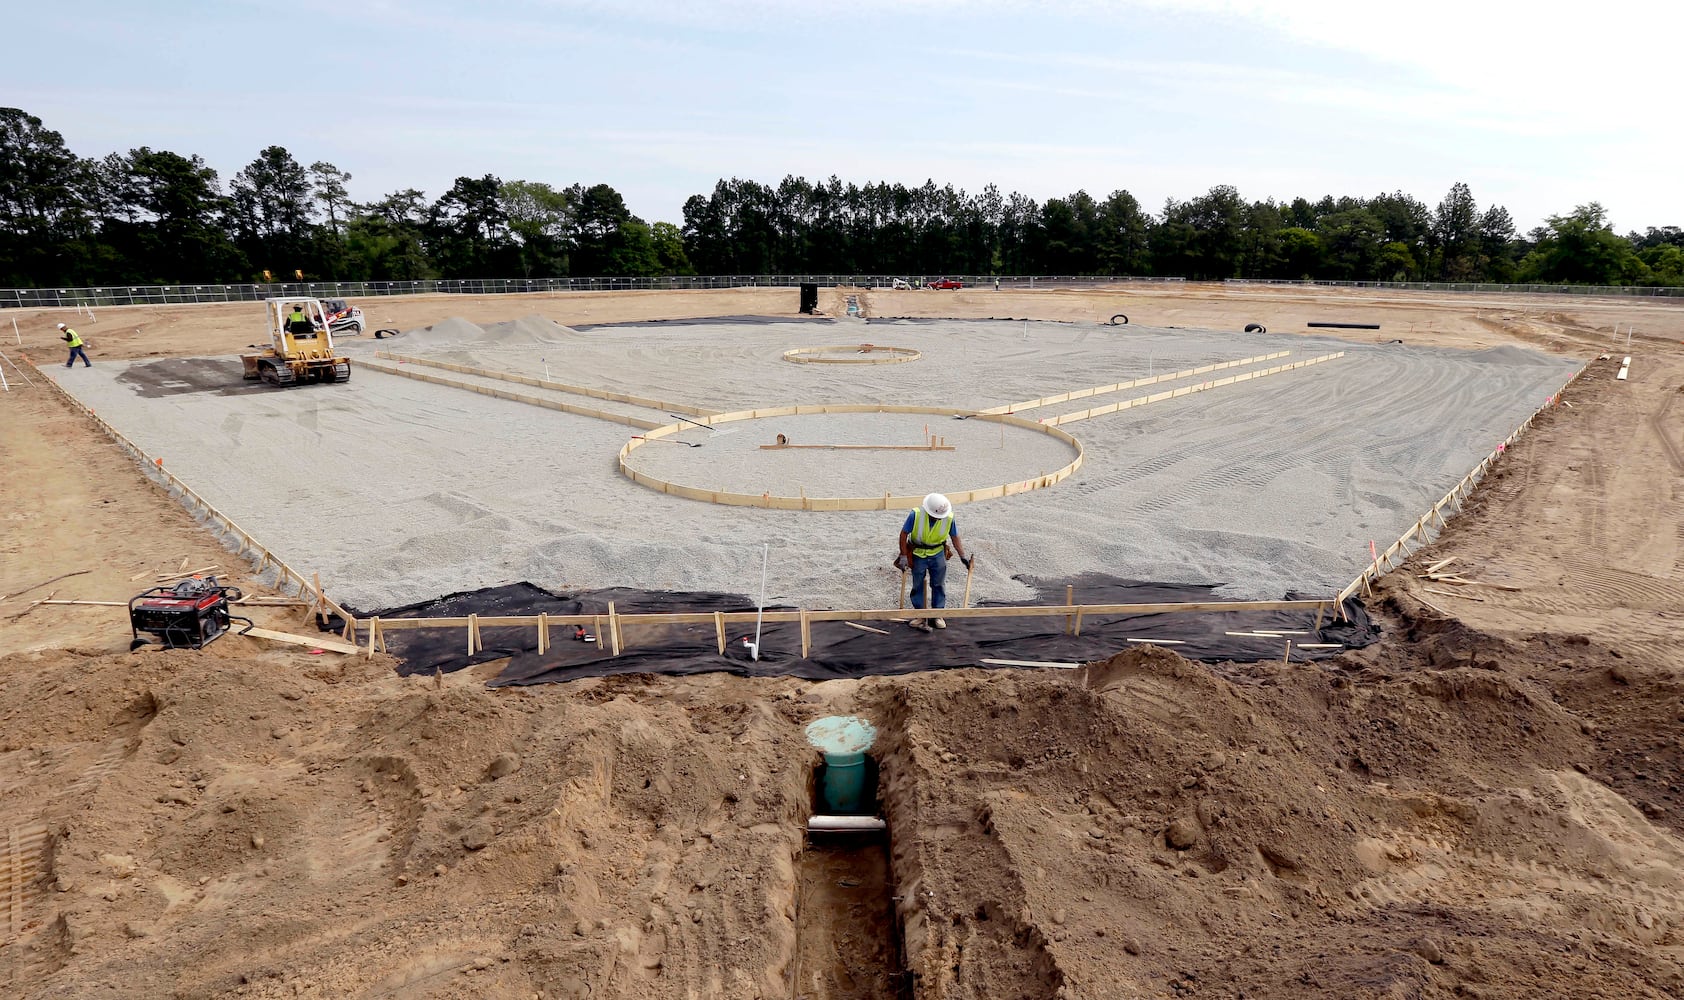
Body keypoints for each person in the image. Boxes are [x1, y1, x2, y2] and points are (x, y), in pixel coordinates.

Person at [895, 492, 972, 632]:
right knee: (917, 584)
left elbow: (955, 537)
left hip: (937, 553)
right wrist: (903, 555)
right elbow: (903, 534)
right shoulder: (916, 515)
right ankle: (920, 615)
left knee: (938, 584)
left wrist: (962, 556)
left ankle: (937, 615)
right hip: (918, 553)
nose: (937, 519)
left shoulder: (948, 517)